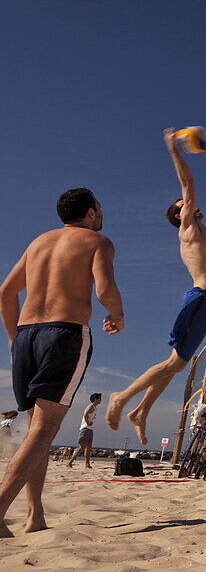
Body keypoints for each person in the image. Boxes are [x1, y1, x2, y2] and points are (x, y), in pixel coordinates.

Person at [107, 130, 206, 444]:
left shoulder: (204, 237)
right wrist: (174, 150)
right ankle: (121, 398)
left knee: (175, 366)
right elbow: (188, 185)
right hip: (198, 300)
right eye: (185, 205)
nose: (192, 204)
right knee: (173, 364)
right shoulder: (188, 229)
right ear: (180, 215)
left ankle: (140, 412)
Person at [0, 188, 123, 537]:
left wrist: (13, 340)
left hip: (25, 335)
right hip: (63, 333)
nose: (101, 213)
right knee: (43, 429)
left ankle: (34, 514)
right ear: (90, 212)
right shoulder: (97, 241)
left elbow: (5, 293)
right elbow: (104, 290)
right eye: (99, 207)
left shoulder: (38, 243)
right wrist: (119, 314)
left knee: (37, 429)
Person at [66, 393, 101, 469]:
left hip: (90, 429)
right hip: (85, 428)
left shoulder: (94, 407)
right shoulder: (91, 406)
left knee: (88, 447)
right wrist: (88, 422)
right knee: (82, 446)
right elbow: (85, 414)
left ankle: (87, 464)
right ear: (95, 399)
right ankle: (69, 462)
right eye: (99, 398)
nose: (100, 400)